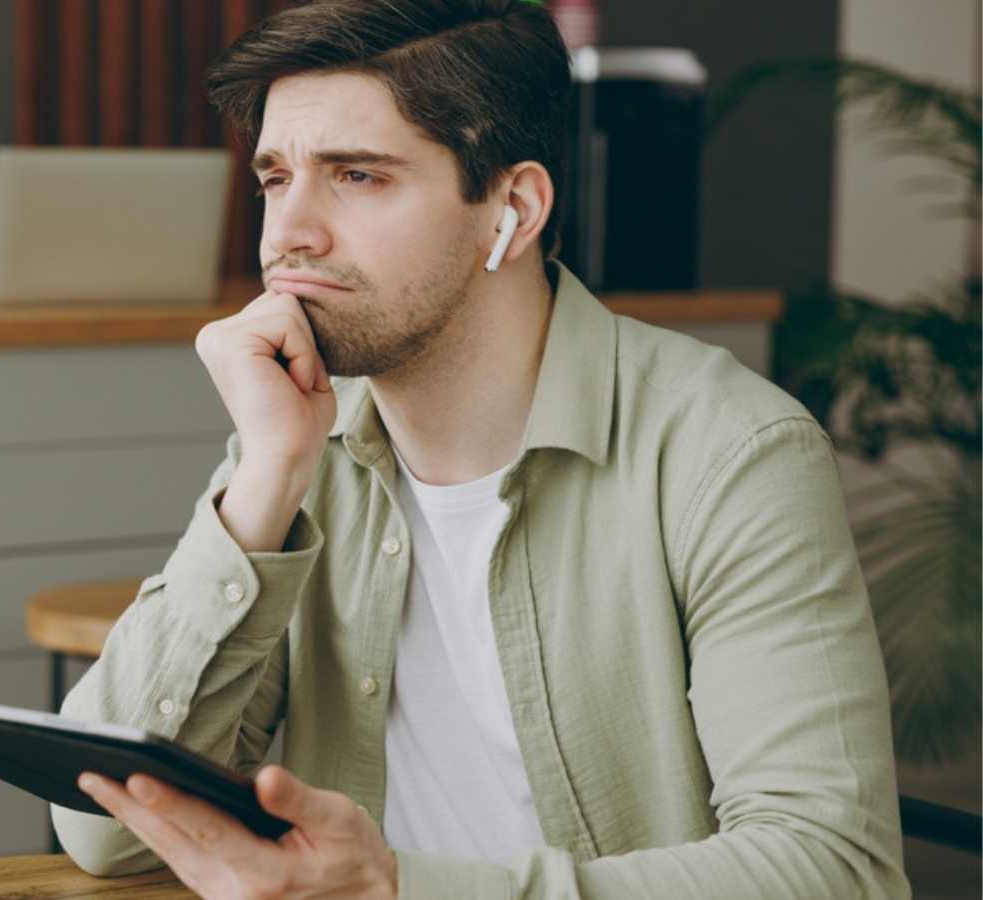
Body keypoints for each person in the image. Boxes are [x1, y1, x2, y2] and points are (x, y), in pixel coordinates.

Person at [51, 1, 909, 897]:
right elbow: (101, 830)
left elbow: (835, 872)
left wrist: (399, 889)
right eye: (275, 178)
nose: (287, 234)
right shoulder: (300, 442)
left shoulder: (729, 455)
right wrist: (262, 483)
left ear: (514, 207)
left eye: (356, 177)